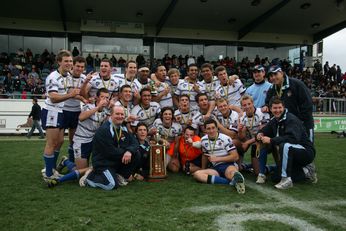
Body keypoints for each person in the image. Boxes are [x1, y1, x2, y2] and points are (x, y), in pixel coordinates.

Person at [47, 88, 110, 188]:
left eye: (107, 98)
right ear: (97, 97)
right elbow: (81, 117)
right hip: (81, 141)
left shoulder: (106, 112)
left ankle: (66, 163)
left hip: (93, 141)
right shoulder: (89, 106)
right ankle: (65, 161)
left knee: (88, 170)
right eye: (102, 97)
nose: (105, 100)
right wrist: (97, 107)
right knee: (81, 172)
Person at [257, 97, 317, 189]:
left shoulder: (291, 119)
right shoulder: (274, 121)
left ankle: (286, 179)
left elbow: (293, 139)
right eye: (275, 108)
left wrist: (271, 140)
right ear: (270, 109)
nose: (277, 110)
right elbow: (264, 130)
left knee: (285, 145)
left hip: (305, 151)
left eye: (280, 107)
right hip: (292, 152)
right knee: (276, 177)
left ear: (284, 107)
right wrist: (259, 134)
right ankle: (306, 172)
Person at [41, 50, 80, 181]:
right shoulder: (53, 77)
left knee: (60, 141)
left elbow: (69, 91)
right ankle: (48, 173)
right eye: (66, 61)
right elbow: (53, 97)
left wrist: (83, 99)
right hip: (52, 111)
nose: (69, 63)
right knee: (51, 143)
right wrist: (71, 95)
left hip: (60, 111)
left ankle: (51, 169)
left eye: (70, 61)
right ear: (59, 62)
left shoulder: (68, 75)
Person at [82, 105, 140, 190]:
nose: (120, 116)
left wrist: (129, 151)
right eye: (117, 114)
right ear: (111, 115)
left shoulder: (122, 127)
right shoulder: (104, 130)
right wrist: (126, 151)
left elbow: (135, 142)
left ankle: (119, 176)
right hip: (103, 163)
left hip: (116, 161)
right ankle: (89, 178)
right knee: (111, 185)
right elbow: (110, 152)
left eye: (122, 114)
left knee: (136, 153)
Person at [263, 65, 314, 142]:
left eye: (275, 74)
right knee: (285, 148)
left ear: (282, 73)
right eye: (271, 76)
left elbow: (307, 104)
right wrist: (266, 106)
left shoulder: (296, 84)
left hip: (303, 124)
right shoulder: (272, 89)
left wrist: (299, 121)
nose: (273, 77)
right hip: (285, 125)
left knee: (306, 149)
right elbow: (268, 103)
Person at [193, 119, 246, 194]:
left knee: (232, 173)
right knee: (197, 174)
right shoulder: (203, 140)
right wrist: (203, 169)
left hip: (228, 165)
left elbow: (235, 156)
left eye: (213, 128)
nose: (211, 131)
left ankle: (235, 178)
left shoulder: (225, 138)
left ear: (217, 128)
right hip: (215, 168)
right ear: (205, 130)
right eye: (208, 128)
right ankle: (231, 182)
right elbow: (204, 155)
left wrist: (217, 159)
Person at [61, 56, 88, 161]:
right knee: (58, 141)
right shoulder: (66, 76)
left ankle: (70, 161)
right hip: (64, 110)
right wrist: (83, 99)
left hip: (76, 110)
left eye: (82, 67)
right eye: (78, 66)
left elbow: (84, 94)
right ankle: (50, 168)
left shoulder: (84, 78)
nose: (80, 69)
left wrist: (86, 97)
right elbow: (70, 93)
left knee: (73, 140)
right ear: (73, 65)